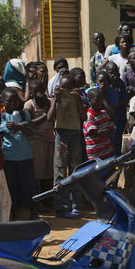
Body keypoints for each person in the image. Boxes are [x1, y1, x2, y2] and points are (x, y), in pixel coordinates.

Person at [49, 74, 86, 218]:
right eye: (63, 87)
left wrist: (77, 100)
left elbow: (84, 117)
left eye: (68, 88)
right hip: (61, 135)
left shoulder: (78, 98)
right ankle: (60, 206)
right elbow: (49, 117)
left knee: (75, 171)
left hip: (75, 134)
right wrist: (55, 100)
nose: (66, 90)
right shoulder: (56, 98)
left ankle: (75, 205)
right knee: (59, 171)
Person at [0, 87, 37, 220]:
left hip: (25, 157)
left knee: (27, 187)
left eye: (15, 101)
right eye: (9, 101)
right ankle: (12, 215)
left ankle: (28, 215)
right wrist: (9, 127)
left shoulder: (23, 115)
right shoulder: (1, 116)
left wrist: (21, 126)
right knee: (10, 189)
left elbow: (31, 132)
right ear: (2, 101)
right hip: (8, 158)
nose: (12, 104)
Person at [24, 79, 55, 202]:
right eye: (37, 92)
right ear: (32, 93)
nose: (41, 94)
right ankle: (38, 201)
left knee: (49, 172)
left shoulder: (49, 102)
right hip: (37, 141)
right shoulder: (29, 105)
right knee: (38, 173)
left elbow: (53, 117)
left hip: (51, 140)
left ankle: (48, 200)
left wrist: (52, 105)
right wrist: (45, 114)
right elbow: (29, 123)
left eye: (43, 91)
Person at [83, 88, 115, 161]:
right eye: (96, 100)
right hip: (95, 156)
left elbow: (113, 129)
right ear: (89, 100)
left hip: (107, 152)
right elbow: (95, 133)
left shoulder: (104, 113)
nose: (99, 102)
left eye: (101, 100)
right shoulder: (88, 116)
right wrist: (107, 131)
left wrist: (103, 132)